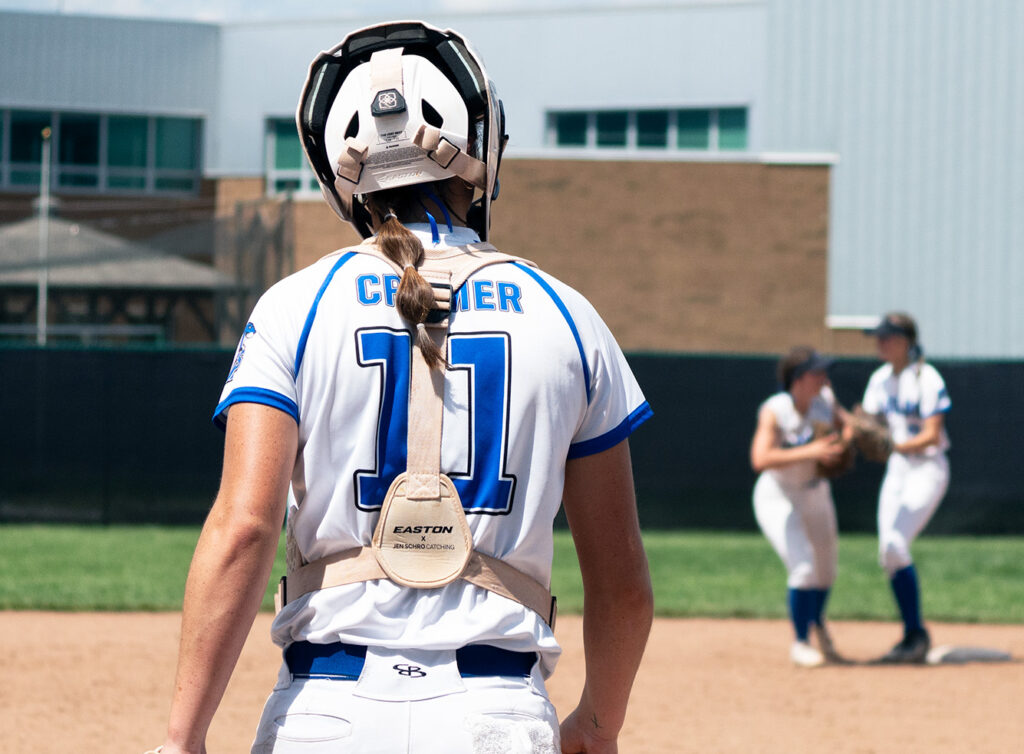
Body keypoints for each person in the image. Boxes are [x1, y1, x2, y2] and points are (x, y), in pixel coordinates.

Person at [149, 20, 653, 754]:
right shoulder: (568, 316)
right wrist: (597, 725)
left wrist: (182, 737)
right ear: (478, 146)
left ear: (340, 165)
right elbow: (622, 582)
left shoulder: (294, 305)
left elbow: (244, 530)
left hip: (326, 709)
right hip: (496, 712)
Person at [749, 346, 851, 667]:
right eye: (817, 372)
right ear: (799, 379)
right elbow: (761, 458)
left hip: (816, 493)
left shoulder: (825, 403)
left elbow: (847, 425)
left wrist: (846, 441)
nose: (824, 378)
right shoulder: (776, 410)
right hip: (778, 495)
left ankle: (816, 621)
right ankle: (801, 642)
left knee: (826, 571)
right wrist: (813, 451)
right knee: (803, 566)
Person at [861, 312, 950, 663]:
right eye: (879, 337)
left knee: (896, 544)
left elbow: (931, 434)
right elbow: (868, 423)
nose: (880, 343)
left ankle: (916, 634)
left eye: (887, 337)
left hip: (928, 469)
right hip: (898, 471)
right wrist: (849, 428)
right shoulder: (879, 379)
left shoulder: (927, 378)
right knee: (888, 551)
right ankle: (913, 635)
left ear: (906, 341)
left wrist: (893, 445)